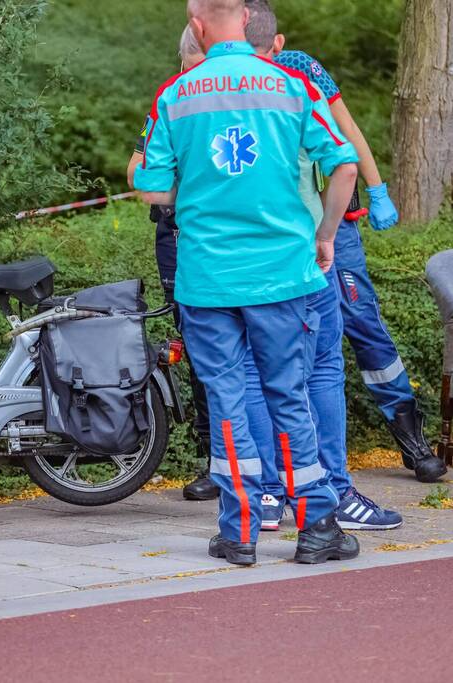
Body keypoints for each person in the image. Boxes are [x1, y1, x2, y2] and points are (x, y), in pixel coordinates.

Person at [129, 22, 403, 533]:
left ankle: (245, 523)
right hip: (292, 267)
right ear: (269, 38)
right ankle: (323, 510)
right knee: (305, 381)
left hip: (210, 274)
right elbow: (344, 159)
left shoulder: (179, 95)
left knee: (236, 390)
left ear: (197, 29)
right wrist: (332, 232)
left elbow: (152, 187)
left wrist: (143, 176)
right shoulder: (294, 82)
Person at [245, 0, 447, 485]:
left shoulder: (299, 68)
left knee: (361, 321)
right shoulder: (227, 79)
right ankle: (283, 465)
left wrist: (377, 189)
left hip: (335, 224)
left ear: (277, 43)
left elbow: (348, 131)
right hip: (281, 232)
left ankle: (410, 437)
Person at [127, 27, 217, 504]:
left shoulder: (240, 89)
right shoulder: (170, 95)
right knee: (199, 349)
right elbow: (136, 169)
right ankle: (214, 460)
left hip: (225, 237)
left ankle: (252, 460)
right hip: (179, 237)